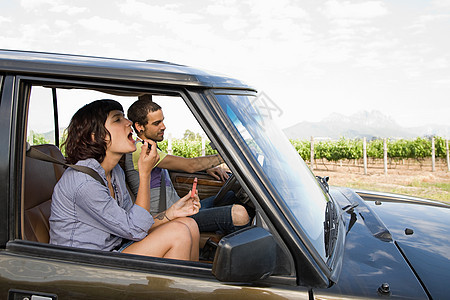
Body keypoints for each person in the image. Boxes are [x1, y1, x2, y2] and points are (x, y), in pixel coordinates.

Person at [49, 99, 200, 261]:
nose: (128, 123)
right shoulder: (84, 183)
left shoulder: (115, 172)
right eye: (117, 119)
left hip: (117, 246)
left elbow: (131, 220)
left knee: (188, 224)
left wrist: (172, 213)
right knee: (178, 233)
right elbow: (135, 229)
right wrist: (145, 173)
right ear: (97, 136)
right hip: (84, 264)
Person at [124, 99, 252, 235]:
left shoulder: (151, 146)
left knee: (231, 195)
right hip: (168, 218)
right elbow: (190, 165)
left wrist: (205, 168)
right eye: (157, 123)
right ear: (139, 127)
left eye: (162, 121)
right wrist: (230, 156)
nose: (163, 127)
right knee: (239, 214)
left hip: (180, 209)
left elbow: (176, 163)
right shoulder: (140, 150)